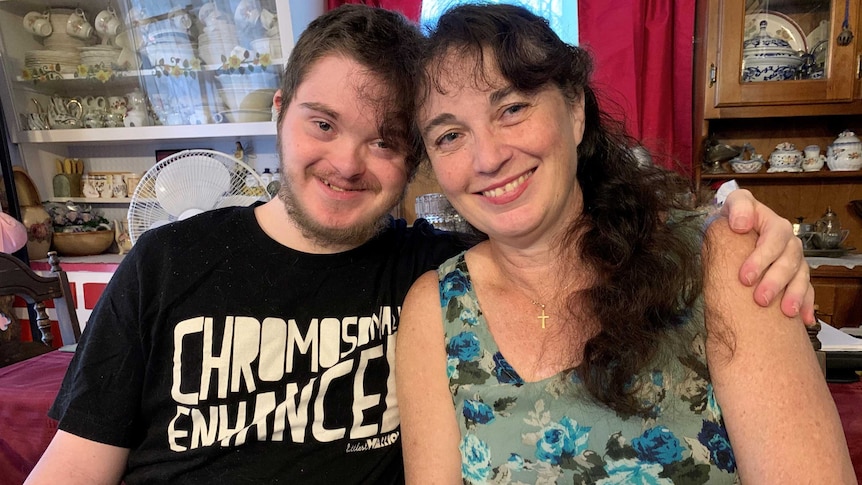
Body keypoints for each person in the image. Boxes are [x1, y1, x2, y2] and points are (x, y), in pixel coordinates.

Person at [27, 5, 816, 485]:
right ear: (280, 110)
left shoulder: (426, 277)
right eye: (322, 123)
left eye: (385, 140)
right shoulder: (169, 263)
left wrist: (740, 221)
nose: (344, 162)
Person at [396, 4, 855, 484]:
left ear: (575, 110)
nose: (487, 158)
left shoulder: (720, 262)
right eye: (450, 135)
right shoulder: (437, 312)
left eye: (512, 108)